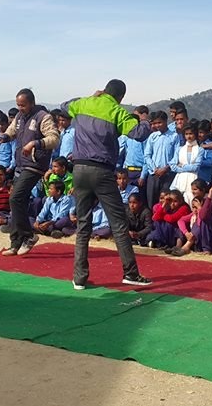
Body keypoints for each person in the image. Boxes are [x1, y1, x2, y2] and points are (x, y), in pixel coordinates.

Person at [61, 79, 154, 289]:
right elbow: (138, 134)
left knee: (83, 224)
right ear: (120, 97)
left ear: (104, 90)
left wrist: (92, 96)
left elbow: (64, 106)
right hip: (102, 172)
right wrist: (145, 120)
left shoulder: (84, 103)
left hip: (79, 170)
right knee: (119, 224)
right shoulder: (116, 111)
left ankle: (79, 278)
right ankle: (130, 273)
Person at [1, 88, 60, 257]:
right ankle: (15, 242)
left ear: (32, 103)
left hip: (34, 165)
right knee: (16, 202)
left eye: (23, 105)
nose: (20, 108)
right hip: (20, 164)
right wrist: (4, 137)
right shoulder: (19, 117)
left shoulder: (43, 117)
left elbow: (54, 138)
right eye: (18, 105)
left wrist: (35, 143)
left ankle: (29, 235)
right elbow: (12, 131)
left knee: (15, 197)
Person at [140, 111, 177, 209]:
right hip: (153, 174)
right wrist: (155, 169)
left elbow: (176, 156)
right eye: (155, 123)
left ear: (165, 121)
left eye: (159, 122)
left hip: (168, 174)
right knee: (151, 202)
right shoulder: (153, 136)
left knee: (167, 202)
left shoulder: (174, 136)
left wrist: (166, 168)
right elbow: (147, 155)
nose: (157, 125)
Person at [169, 124, 203, 203]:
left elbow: (196, 167)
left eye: (191, 134)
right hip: (180, 178)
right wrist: (184, 168)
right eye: (186, 134)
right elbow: (173, 165)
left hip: (193, 177)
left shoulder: (200, 150)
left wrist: (182, 166)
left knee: (191, 199)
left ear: (195, 134)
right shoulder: (179, 149)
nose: (189, 136)